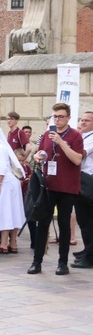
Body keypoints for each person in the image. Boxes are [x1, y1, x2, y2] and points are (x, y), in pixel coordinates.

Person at [29, 103, 84, 275]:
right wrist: (39, 156)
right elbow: (41, 153)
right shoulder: (47, 134)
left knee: (63, 224)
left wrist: (61, 142)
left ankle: (63, 263)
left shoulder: (75, 136)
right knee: (42, 223)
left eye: (60, 116)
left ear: (68, 117)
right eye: (55, 116)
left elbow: (77, 160)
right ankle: (37, 262)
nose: (57, 119)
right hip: (48, 185)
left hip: (67, 187)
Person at [0, 125, 26, 255]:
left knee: (6, 212)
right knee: (13, 211)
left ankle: (3, 245)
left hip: (5, 182)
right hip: (10, 182)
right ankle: (12, 243)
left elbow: (2, 167)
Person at [72, 111, 93, 269]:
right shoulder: (83, 136)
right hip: (80, 181)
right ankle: (87, 251)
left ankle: (90, 256)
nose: (83, 122)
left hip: (88, 181)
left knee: (88, 221)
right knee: (83, 220)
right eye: (82, 120)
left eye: (87, 120)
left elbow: (80, 154)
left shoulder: (91, 138)